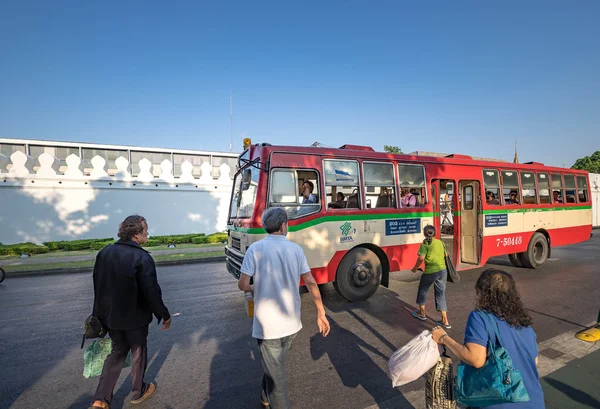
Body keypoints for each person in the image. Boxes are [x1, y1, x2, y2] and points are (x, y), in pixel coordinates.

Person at [238, 207, 330, 408]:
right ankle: (265, 395)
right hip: (291, 324)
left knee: (276, 378)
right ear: (283, 226)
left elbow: (243, 284)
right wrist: (321, 313)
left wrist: (256, 287)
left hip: (267, 327)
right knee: (274, 368)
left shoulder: (255, 249)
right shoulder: (296, 250)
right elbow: (311, 283)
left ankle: (269, 395)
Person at [89, 215, 171, 409]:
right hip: (135, 317)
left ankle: (100, 400)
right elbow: (151, 292)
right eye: (146, 230)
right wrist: (164, 315)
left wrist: (98, 314)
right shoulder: (143, 257)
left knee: (117, 352)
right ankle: (138, 391)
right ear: (136, 234)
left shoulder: (105, 252)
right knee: (138, 352)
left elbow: (97, 284)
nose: (148, 234)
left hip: (110, 317)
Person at [431, 269, 544, 408]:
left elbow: (476, 359)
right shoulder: (525, 325)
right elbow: (534, 362)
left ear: (483, 292)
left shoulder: (480, 317)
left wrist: (444, 338)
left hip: (499, 402)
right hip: (534, 401)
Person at [411, 225, 451, 329]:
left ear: (424, 233)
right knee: (440, 294)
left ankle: (422, 313)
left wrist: (415, 268)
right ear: (435, 233)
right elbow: (446, 255)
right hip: (442, 271)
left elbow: (421, 258)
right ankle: (445, 320)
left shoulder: (425, 244)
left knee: (422, 291)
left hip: (430, 272)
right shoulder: (440, 242)